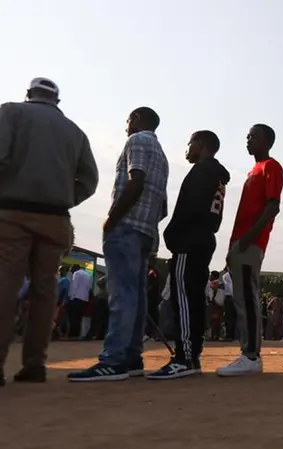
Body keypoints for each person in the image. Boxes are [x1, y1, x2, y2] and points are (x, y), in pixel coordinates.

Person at [0, 78, 98, 386]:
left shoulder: (10, 113)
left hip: (12, 211)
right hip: (55, 217)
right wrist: (66, 197)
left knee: (5, 288)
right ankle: (35, 364)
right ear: (57, 101)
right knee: (45, 293)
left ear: (29, 95)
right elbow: (89, 180)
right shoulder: (75, 132)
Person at [68, 107, 169, 382]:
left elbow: (136, 181)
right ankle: (132, 358)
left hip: (126, 227)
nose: (126, 125)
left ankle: (113, 360)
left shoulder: (137, 141)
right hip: (147, 231)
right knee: (136, 296)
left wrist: (112, 218)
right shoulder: (162, 154)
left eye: (128, 120)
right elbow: (163, 207)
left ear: (136, 119)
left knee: (121, 295)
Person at [148, 130, 230, 380]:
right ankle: (192, 353)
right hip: (204, 239)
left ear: (201, 144)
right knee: (193, 299)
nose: (188, 148)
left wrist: (172, 235)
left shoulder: (201, 171)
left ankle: (184, 356)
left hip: (190, 240)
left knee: (183, 298)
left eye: (190, 143)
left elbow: (189, 209)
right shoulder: (218, 176)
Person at [216, 124, 283, 377]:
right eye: (247, 136)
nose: (248, 140)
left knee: (247, 299)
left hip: (250, 243)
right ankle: (248, 353)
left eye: (253, 137)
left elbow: (273, 206)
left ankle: (251, 356)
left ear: (266, 141)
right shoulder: (252, 170)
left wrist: (247, 240)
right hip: (240, 243)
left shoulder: (270, 166)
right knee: (242, 298)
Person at [67, 264, 93, 339]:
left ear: (74, 269)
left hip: (76, 297)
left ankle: (72, 334)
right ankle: (77, 334)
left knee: (72, 316)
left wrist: (71, 297)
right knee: (79, 317)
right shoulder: (87, 275)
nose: (72, 272)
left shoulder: (77, 273)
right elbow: (89, 288)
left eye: (72, 270)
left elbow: (74, 286)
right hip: (84, 299)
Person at [221, 267, 236, 341]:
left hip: (233, 298)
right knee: (230, 317)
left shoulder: (227, 276)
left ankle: (232, 335)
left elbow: (229, 287)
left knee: (232, 317)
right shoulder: (226, 276)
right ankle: (230, 335)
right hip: (231, 298)